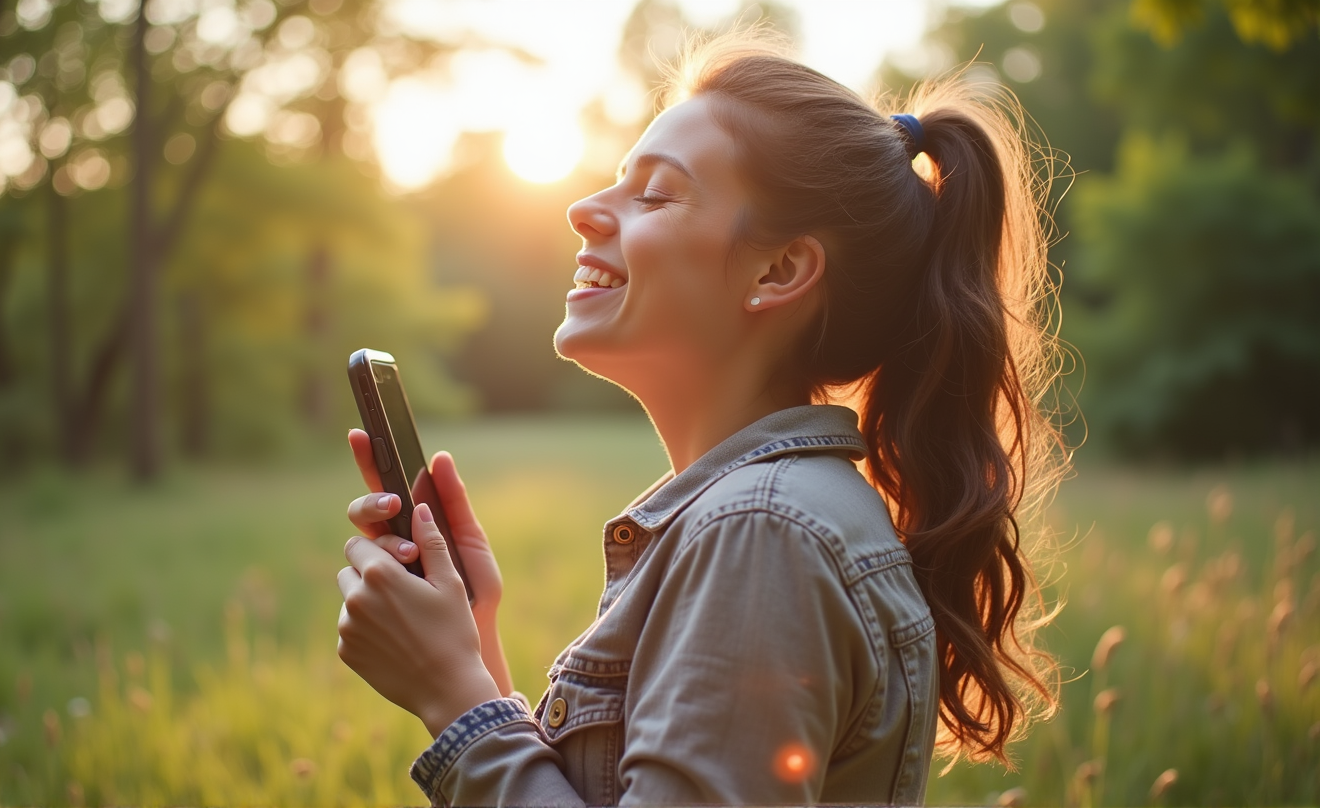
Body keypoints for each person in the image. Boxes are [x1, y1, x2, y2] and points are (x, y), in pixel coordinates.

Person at [334, 30, 1066, 806]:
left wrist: (455, 702)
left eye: (654, 193)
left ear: (777, 271)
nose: (583, 210)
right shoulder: (769, 518)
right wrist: (472, 646)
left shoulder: (761, 531)